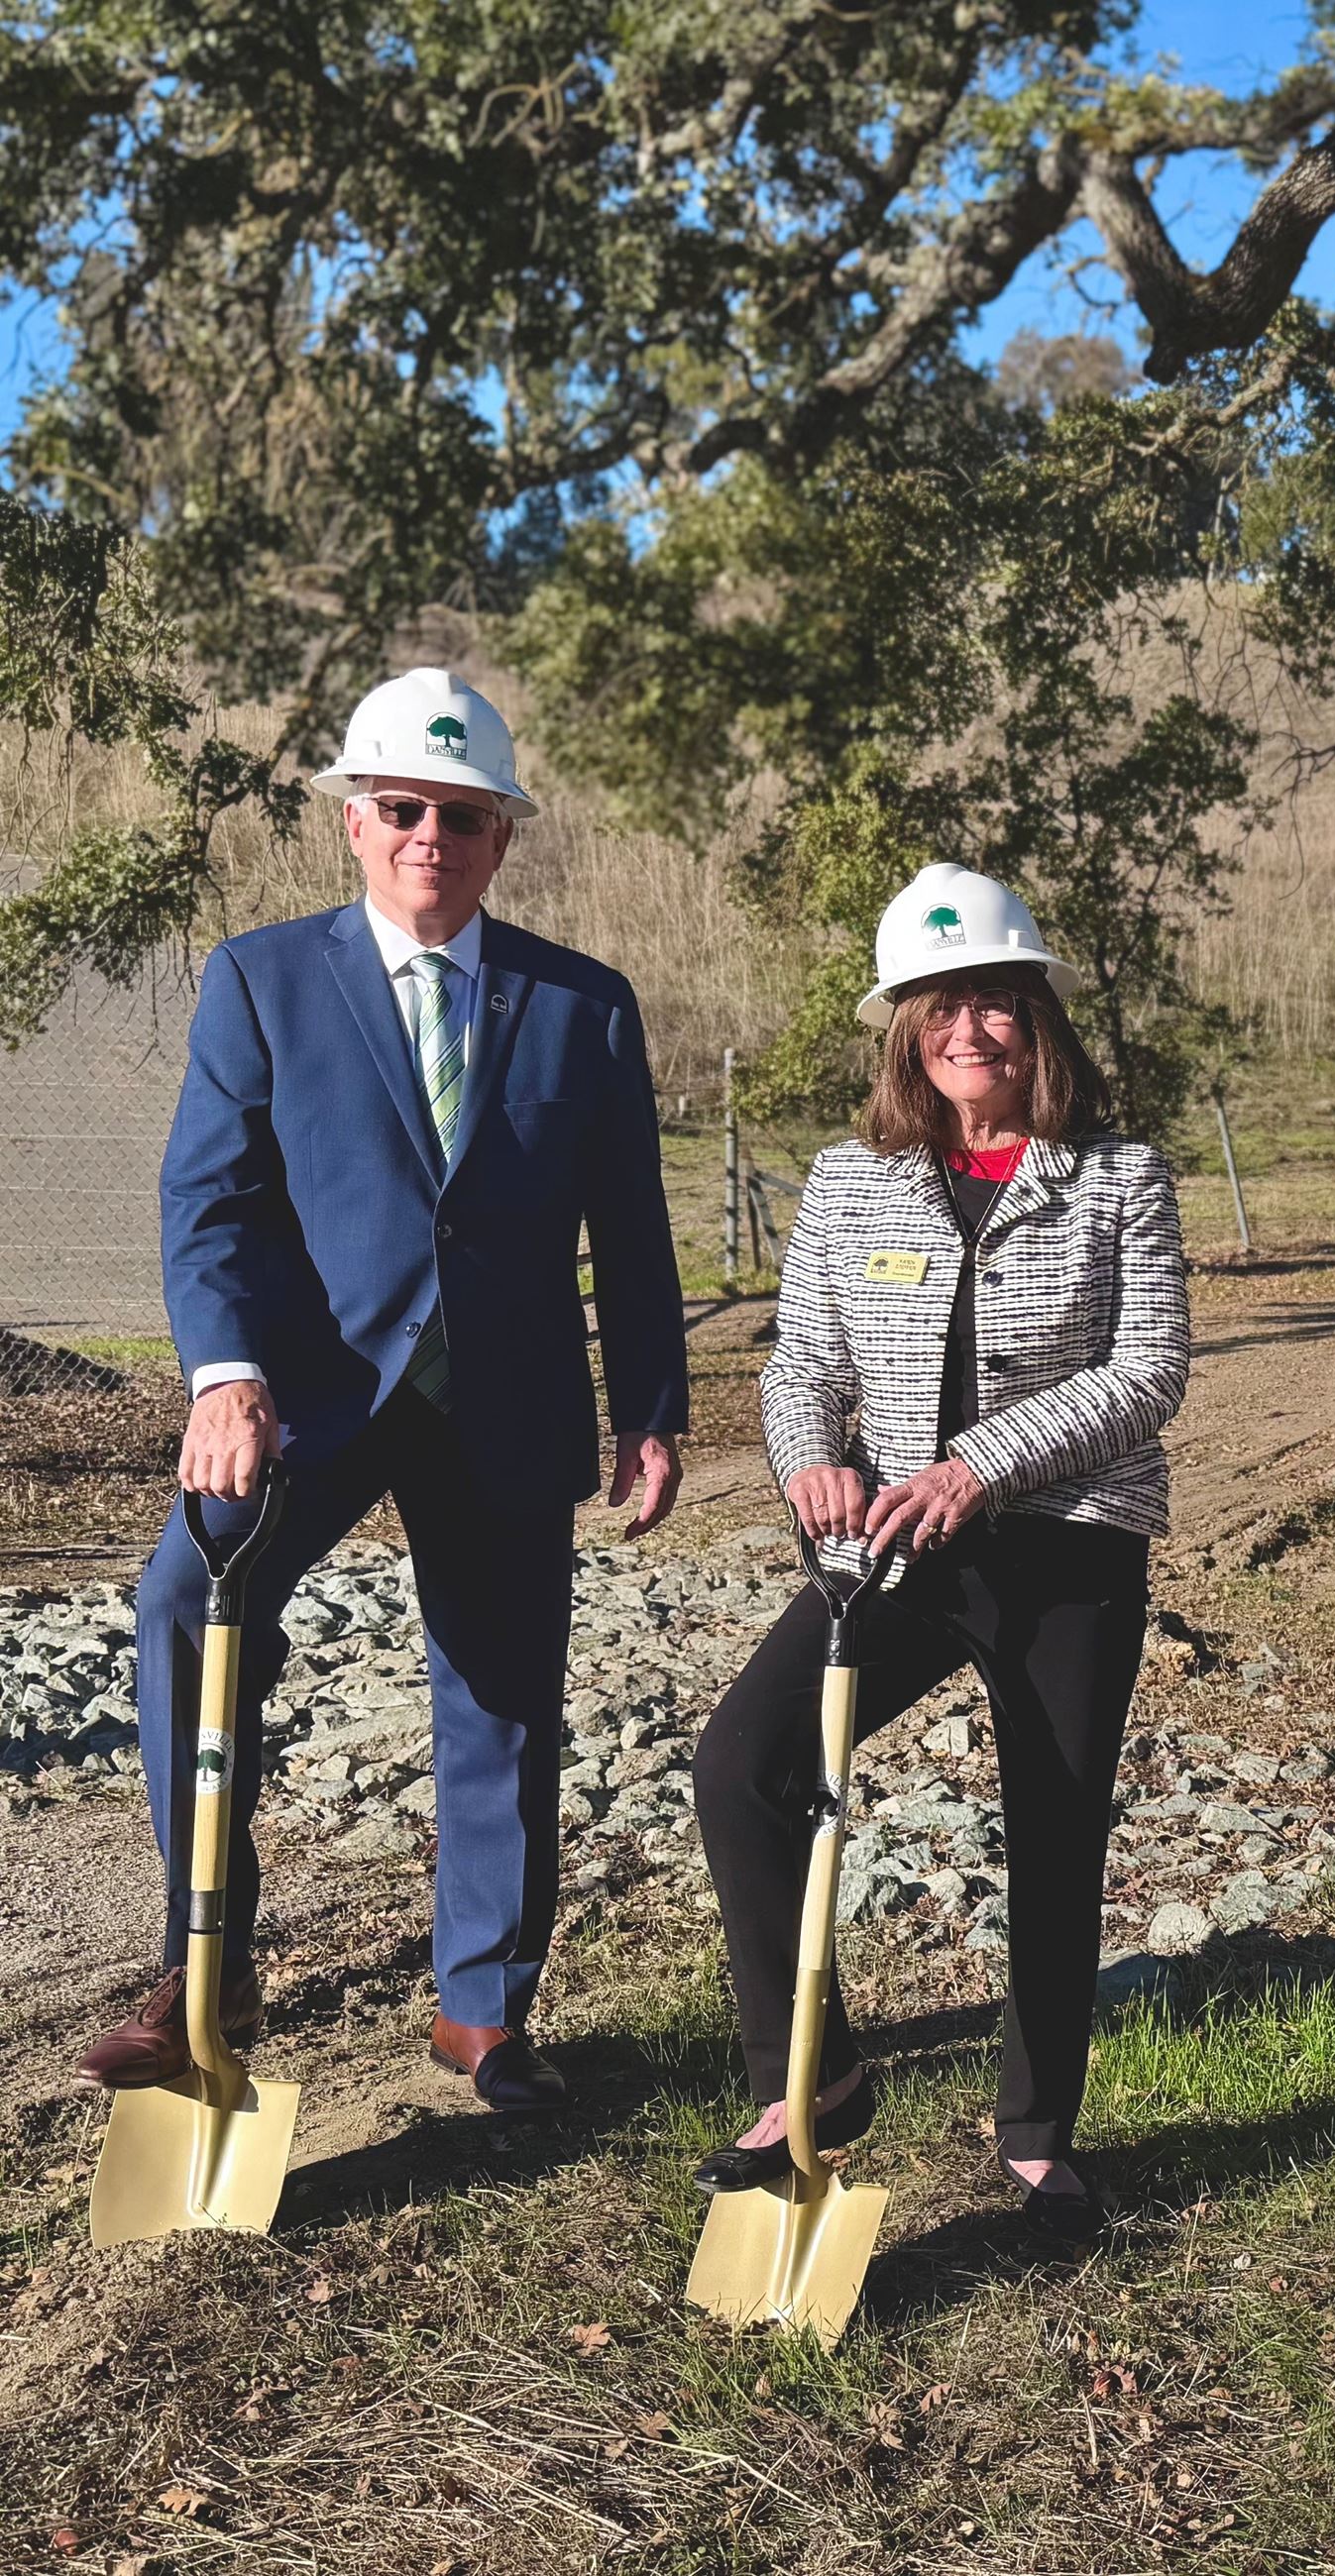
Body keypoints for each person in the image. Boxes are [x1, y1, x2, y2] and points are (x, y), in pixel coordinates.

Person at [79, 669, 688, 2113]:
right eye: (404, 807)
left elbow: (632, 1227)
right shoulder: (262, 980)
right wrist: (225, 1374)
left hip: (508, 1400)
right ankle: (207, 1963)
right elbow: (210, 1200)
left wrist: (651, 1407)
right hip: (308, 1394)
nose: (432, 836)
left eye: (463, 816)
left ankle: (485, 2010)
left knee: (503, 1701)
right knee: (185, 1608)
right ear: (353, 821)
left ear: (501, 836)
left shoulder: (584, 1007)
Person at [691, 862, 1189, 2235]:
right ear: (904, 1031)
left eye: (993, 1002)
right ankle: (811, 2078)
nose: (968, 1031)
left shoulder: (1119, 1177)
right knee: (743, 1768)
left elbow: (1148, 1372)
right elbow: (803, 1363)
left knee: (1054, 1833)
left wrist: (981, 1465)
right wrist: (811, 1461)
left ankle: (1037, 2133)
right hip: (895, 1551)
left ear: (1039, 1019)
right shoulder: (854, 1181)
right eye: (937, 1007)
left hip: (1069, 1549)